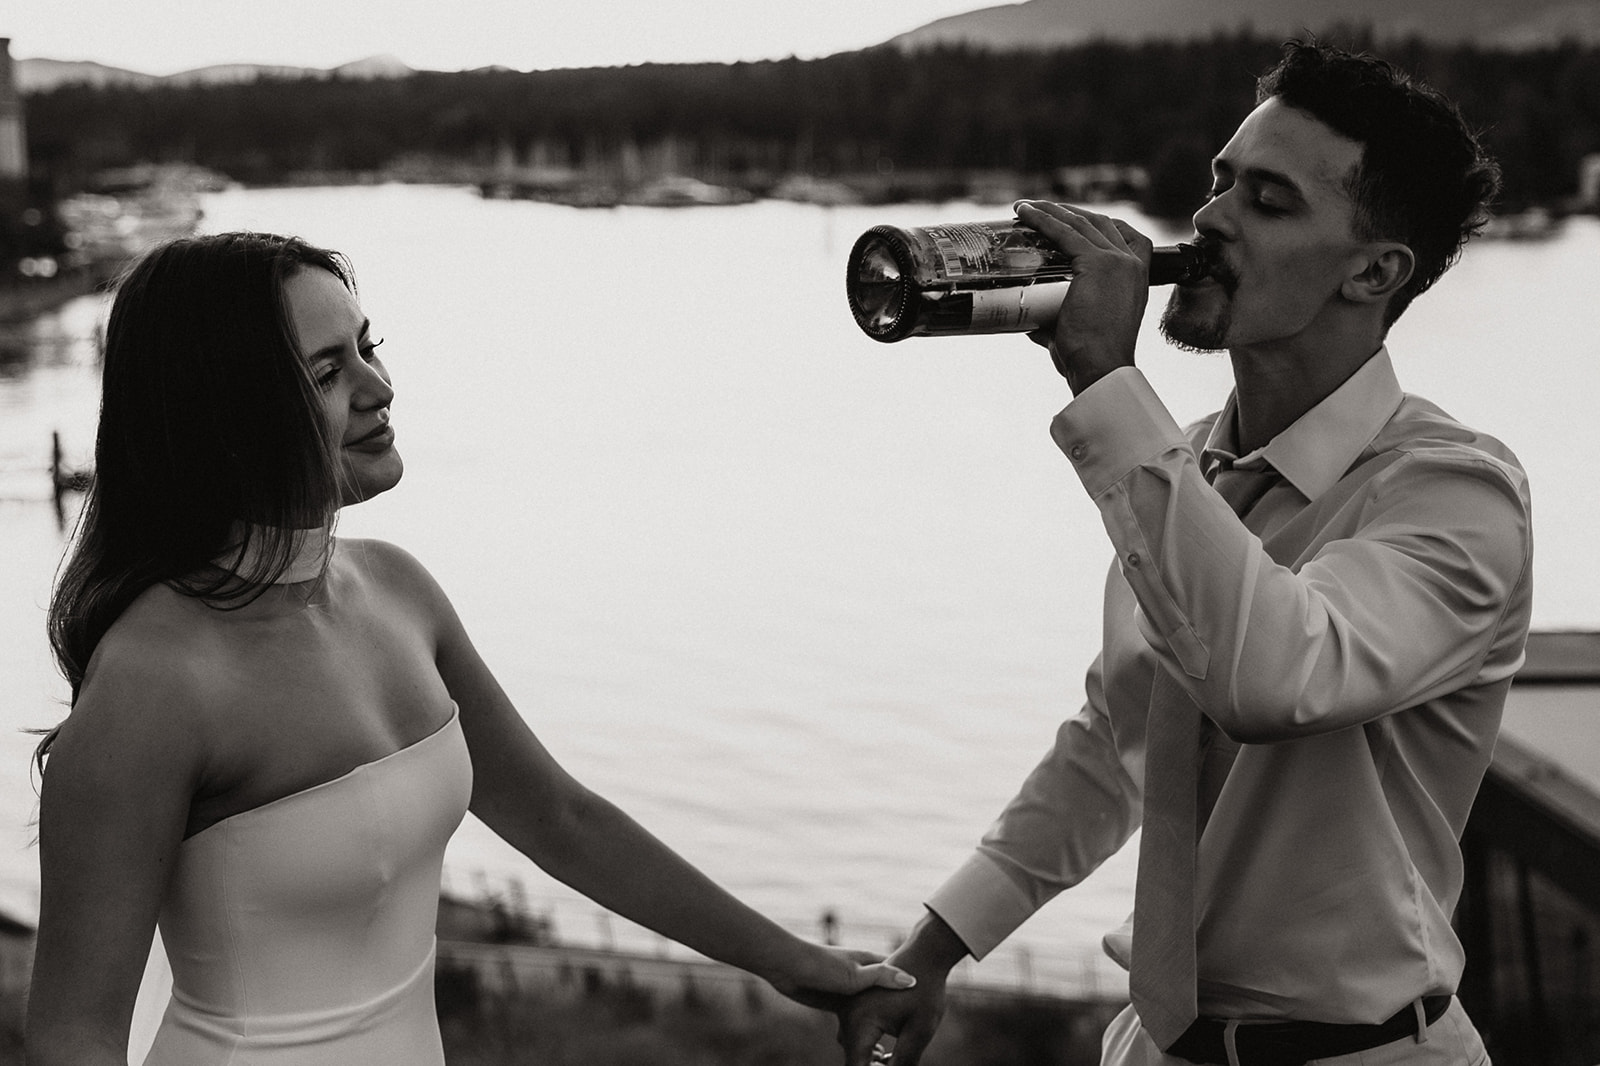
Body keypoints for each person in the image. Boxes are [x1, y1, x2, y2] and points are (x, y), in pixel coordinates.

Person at [24, 231, 915, 1066]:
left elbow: (560, 819)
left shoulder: (397, 590)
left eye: (369, 347)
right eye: (329, 371)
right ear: (229, 414)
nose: (380, 389)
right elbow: (73, 1039)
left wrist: (793, 963)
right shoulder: (155, 683)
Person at [838, 39, 1530, 1066]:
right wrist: (934, 948)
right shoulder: (1184, 469)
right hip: (1150, 1047)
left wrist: (1105, 380)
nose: (1208, 221)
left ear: (1372, 272)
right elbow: (1114, 740)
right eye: (1219, 182)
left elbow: (1271, 676)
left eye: (1268, 200)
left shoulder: (1453, 495)